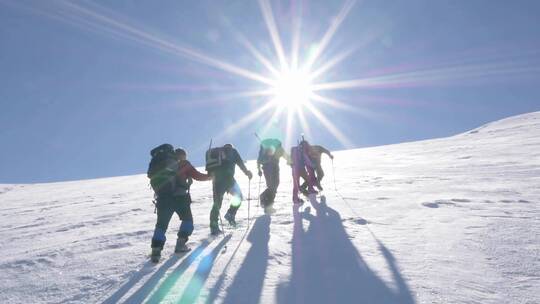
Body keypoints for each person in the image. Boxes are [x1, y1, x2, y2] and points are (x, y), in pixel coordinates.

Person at [149, 147, 211, 262]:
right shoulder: (184, 163)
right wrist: (210, 176)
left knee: (161, 225)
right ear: (182, 155)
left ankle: (156, 251)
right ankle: (180, 244)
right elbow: (197, 175)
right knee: (188, 221)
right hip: (180, 198)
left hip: (163, 198)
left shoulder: (161, 164)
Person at [209, 144, 253, 235]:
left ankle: (214, 227)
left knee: (217, 204)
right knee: (239, 196)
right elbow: (240, 163)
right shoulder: (233, 151)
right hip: (229, 179)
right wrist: (247, 172)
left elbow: (210, 167)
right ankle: (230, 214)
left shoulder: (216, 153)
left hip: (217, 181)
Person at [257, 138, 289, 214]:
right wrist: (292, 162)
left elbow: (259, 160)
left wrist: (259, 169)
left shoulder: (266, 148)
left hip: (267, 168)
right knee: (273, 186)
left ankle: (267, 204)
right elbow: (286, 156)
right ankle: (267, 204)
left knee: (273, 186)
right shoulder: (279, 148)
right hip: (273, 167)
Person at [291, 140, 318, 204]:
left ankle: (295, 199)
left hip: (294, 170)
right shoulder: (302, 151)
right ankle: (311, 189)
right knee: (308, 179)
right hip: (301, 169)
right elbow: (306, 160)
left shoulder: (294, 150)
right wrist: (313, 165)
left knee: (296, 185)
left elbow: (290, 161)